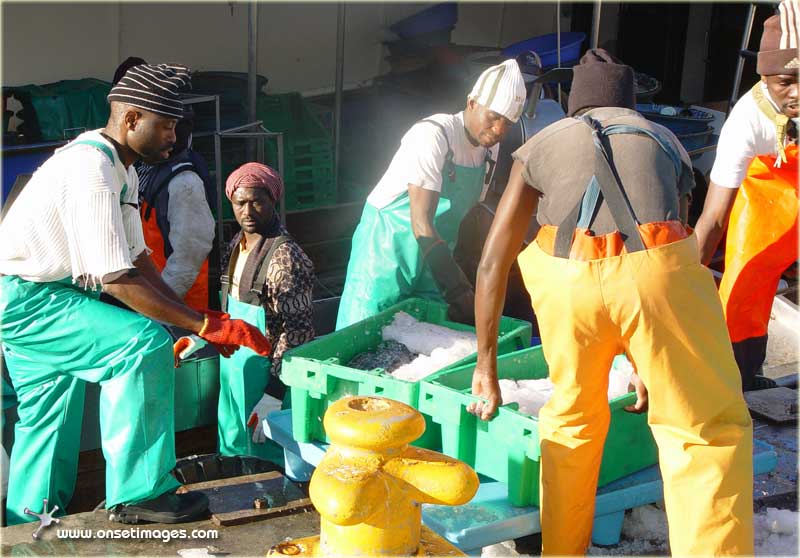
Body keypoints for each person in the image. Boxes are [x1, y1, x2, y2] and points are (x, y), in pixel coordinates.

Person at [468, 50, 754, 555]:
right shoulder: (666, 140)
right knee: (704, 432)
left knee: (572, 423)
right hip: (656, 278)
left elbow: (493, 262)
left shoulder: (540, 144)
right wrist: (650, 358)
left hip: (566, 286)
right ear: (631, 105)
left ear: (576, 107)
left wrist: (485, 367)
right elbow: (676, 249)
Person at [0, 63, 272, 525]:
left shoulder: (120, 168)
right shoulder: (91, 167)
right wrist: (205, 324)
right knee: (140, 345)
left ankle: (30, 524)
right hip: (29, 300)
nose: (174, 136)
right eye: (165, 125)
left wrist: (184, 318)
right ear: (130, 120)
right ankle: (141, 491)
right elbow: (116, 279)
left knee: (50, 411)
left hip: (33, 296)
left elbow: (141, 262)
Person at [335, 60, 526, 329]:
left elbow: (473, 217)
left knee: (427, 343)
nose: (499, 130)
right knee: (364, 334)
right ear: (471, 103)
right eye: (493, 117)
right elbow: (421, 223)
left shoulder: (488, 151)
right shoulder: (433, 135)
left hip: (435, 261)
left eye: (508, 123)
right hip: (386, 255)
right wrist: (458, 288)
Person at [695, 0, 799, 391]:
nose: (796, 93)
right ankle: (741, 374)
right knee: (744, 278)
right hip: (768, 192)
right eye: (784, 82)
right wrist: (686, 282)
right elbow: (715, 218)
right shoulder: (746, 121)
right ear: (765, 77)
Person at [218, 162, 315, 463]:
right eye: (240, 203)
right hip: (233, 373)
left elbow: (298, 332)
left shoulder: (286, 258)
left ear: (273, 201)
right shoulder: (236, 245)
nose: (247, 211)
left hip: (268, 378)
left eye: (257, 202)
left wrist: (273, 393)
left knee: (269, 460)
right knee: (235, 452)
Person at [114, 58, 217, 311]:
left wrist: (161, 309)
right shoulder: (140, 168)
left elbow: (188, 257)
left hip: (178, 308)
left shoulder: (184, 182)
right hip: (149, 301)